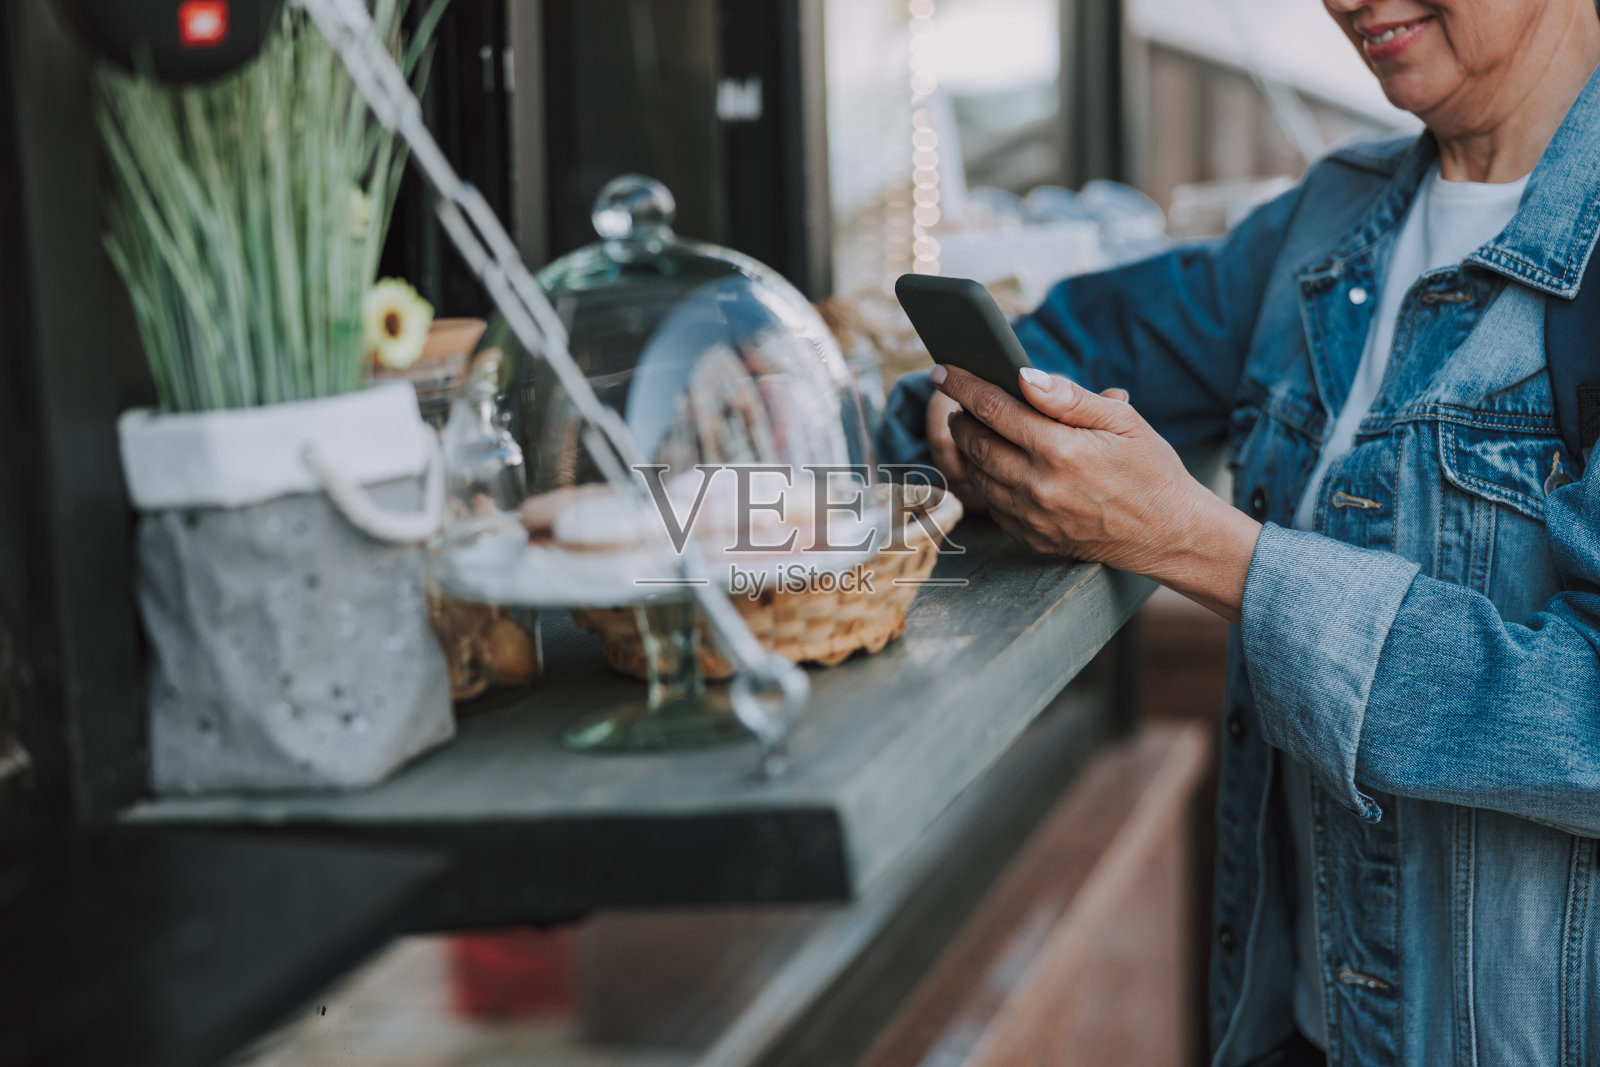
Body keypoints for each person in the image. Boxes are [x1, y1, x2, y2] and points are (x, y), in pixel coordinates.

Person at [879, 1, 1600, 1064]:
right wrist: (956, 410)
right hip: (1294, 1025)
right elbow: (1076, 341)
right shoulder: (1330, 220)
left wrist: (1201, 548)